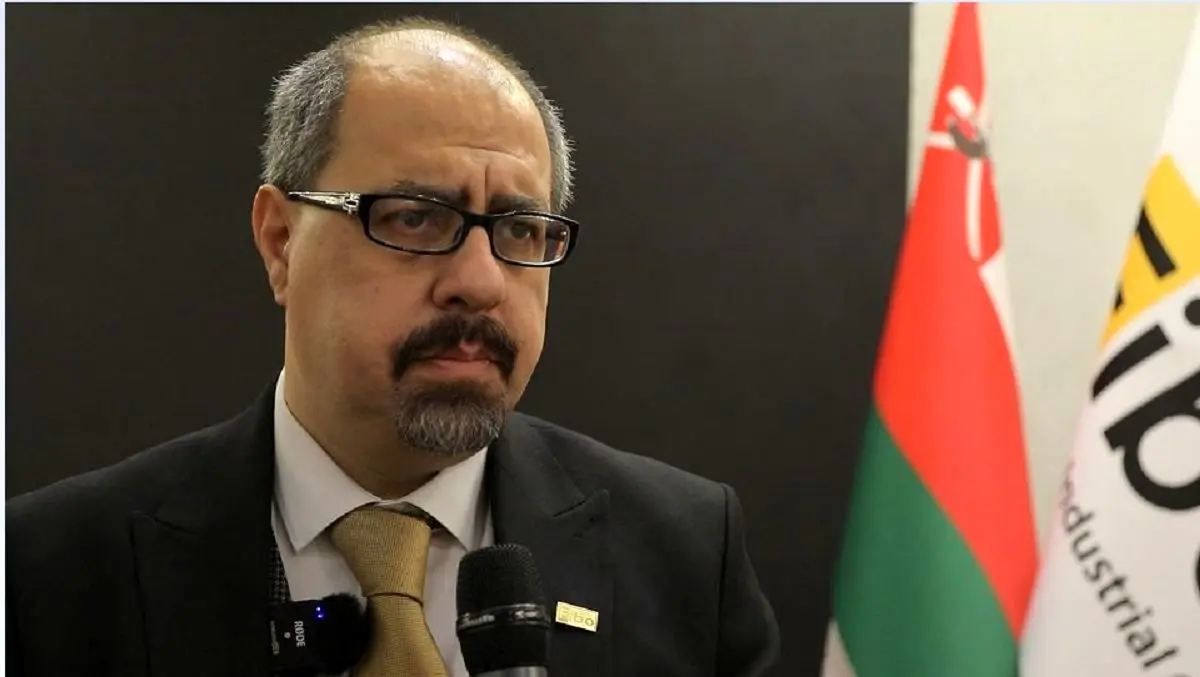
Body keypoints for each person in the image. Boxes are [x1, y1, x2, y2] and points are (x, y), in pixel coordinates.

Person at [6, 16, 780, 677]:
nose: (479, 282)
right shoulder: (48, 573)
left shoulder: (683, 553)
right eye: (415, 216)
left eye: (519, 228)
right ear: (281, 241)